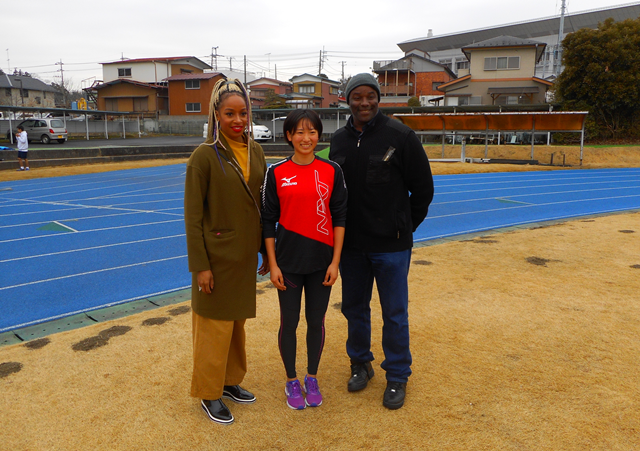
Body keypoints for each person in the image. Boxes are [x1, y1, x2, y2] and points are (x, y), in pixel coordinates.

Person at [329, 73, 434, 410]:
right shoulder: (338, 141)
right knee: (354, 309)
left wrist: (404, 227)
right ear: (347, 100)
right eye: (357, 96)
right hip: (352, 248)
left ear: (378, 99)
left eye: (370, 96)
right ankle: (360, 364)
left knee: (395, 313)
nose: (364, 103)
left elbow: (423, 190)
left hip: (391, 246)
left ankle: (397, 375)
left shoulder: (401, 136)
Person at [184, 78, 269, 425]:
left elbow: (263, 204)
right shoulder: (203, 157)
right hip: (216, 258)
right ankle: (209, 391)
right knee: (213, 327)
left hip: (245, 255)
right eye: (230, 113)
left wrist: (266, 250)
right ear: (216, 115)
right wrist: (200, 266)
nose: (238, 120)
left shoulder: (256, 151)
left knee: (235, 324)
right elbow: (192, 218)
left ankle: (230, 380)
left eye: (243, 113)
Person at [262, 109, 347, 410]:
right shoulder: (276, 172)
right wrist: (272, 265)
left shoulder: (332, 170)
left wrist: (335, 262)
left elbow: (340, 217)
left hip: (322, 263)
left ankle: (312, 376)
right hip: (287, 264)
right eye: (299, 132)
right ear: (288, 136)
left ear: (318, 135)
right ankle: (290, 381)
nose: (306, 138)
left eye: (311, 132)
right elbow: (268, 221)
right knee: (290, 323)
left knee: (316, 321)